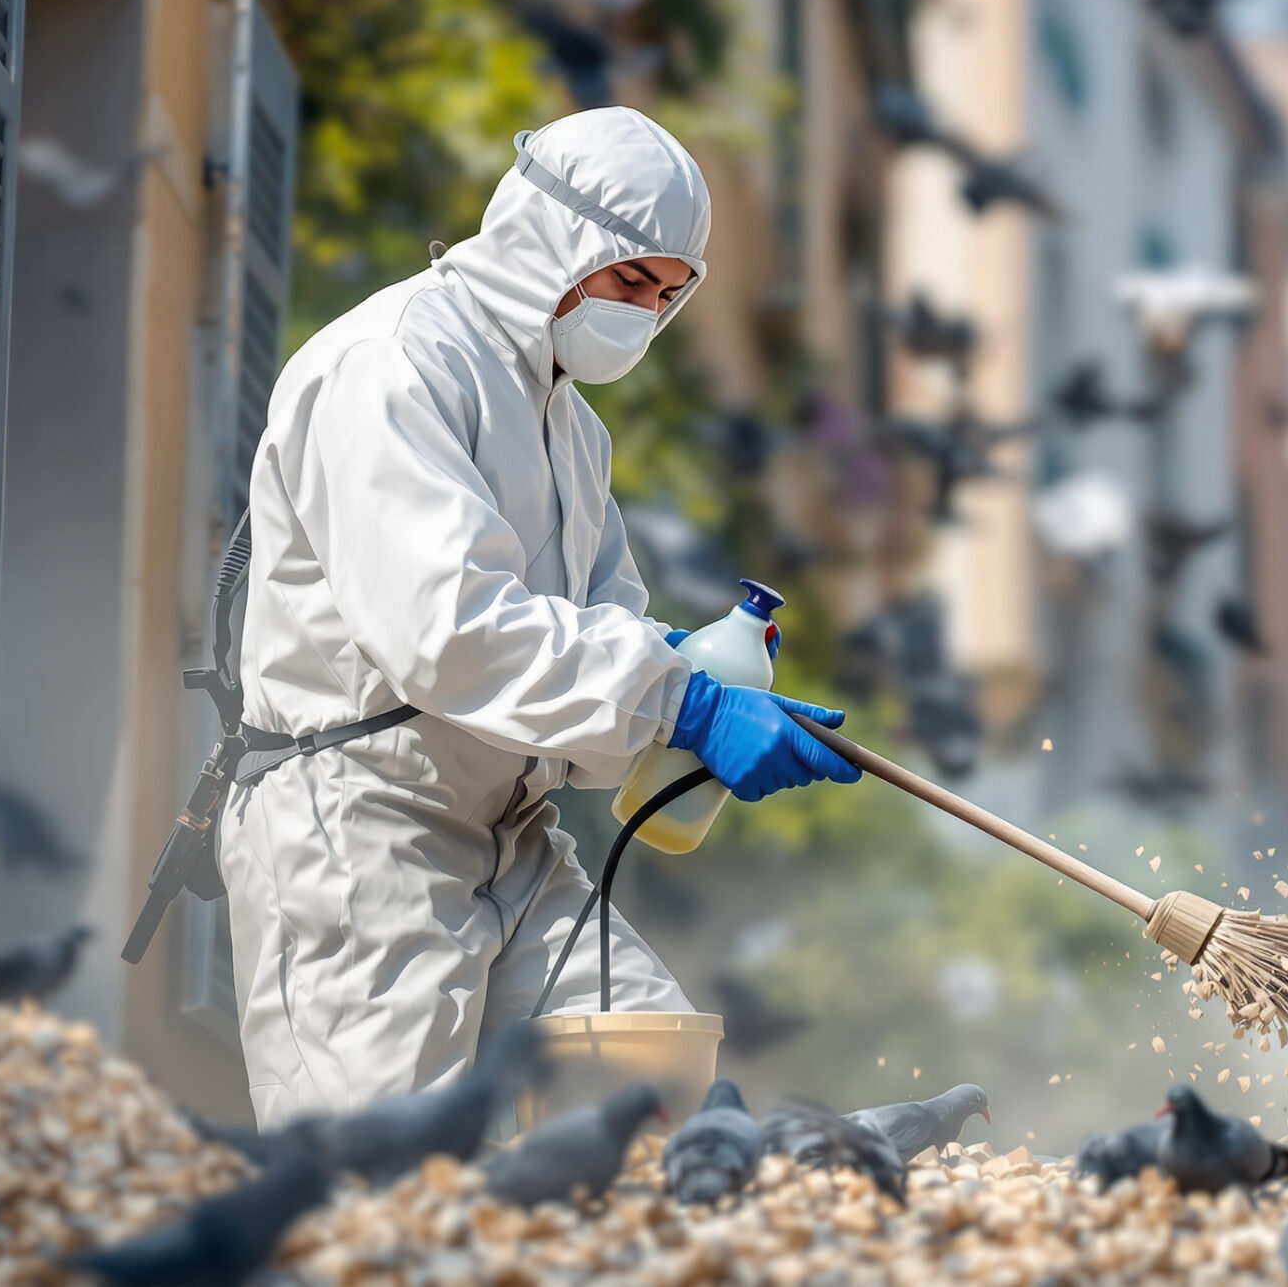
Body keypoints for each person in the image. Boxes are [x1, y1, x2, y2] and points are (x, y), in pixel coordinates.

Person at [218, 107, 859, 1128]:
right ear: (555, 240)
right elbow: (449, 631)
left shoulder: (573, 428)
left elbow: (599, 649)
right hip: (363, 832)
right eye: (630, 281)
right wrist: (679, 703)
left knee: (658, 1115)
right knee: (380, 1205)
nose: (645, 315)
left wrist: (694, 684)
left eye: (667, 295)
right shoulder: (393, 363)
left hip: (511, 835)